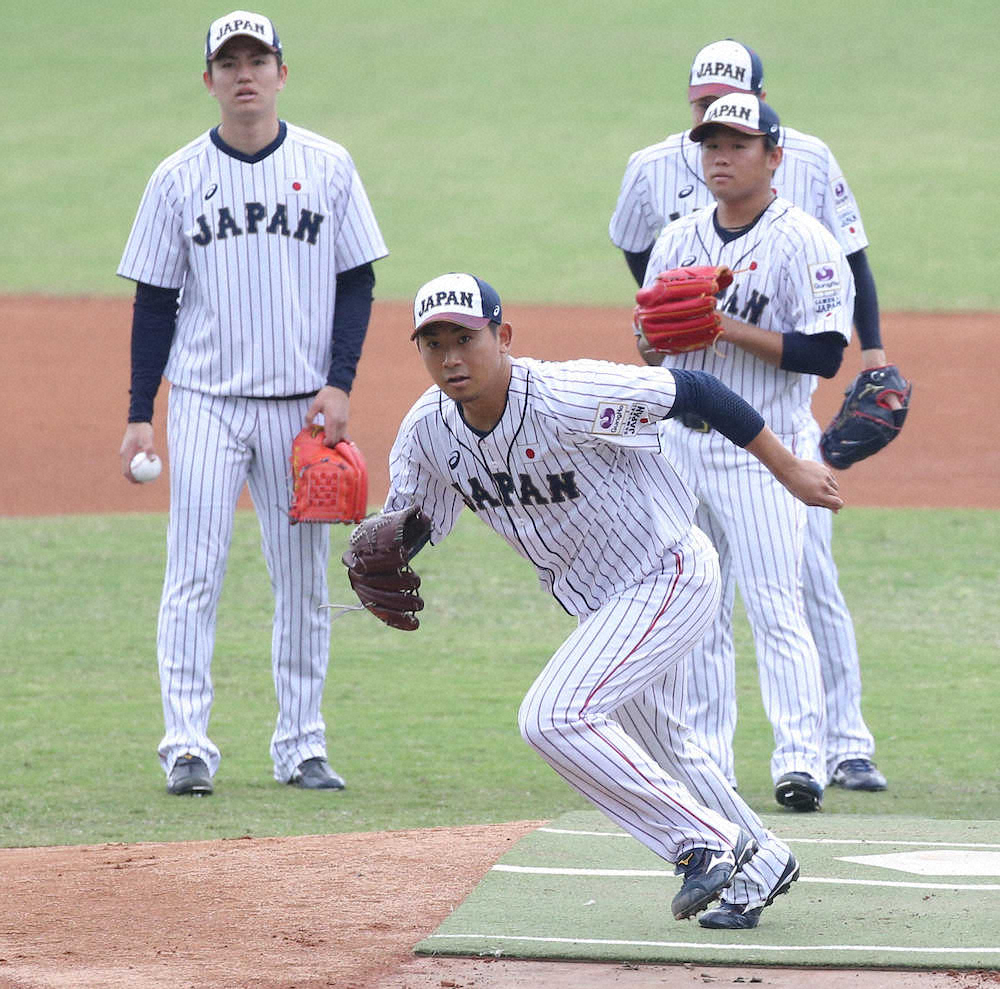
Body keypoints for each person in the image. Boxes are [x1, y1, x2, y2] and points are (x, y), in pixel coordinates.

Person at [367, 269, 844, 929]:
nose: (450, 356)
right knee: (665, 746)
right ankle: (760, 860)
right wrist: (378, 555)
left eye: (465, 337)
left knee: (553, 715)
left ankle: (700, 842)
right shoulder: (428, 433)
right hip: (605, 606)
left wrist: (788, 467)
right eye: (433, 342)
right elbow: (413, 521)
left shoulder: (568, 395)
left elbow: (696, 388)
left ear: (502, 336)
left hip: (667, 571)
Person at [116, 10, 388, 795]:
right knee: (193, 572)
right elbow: (154, 299)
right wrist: (142, 408)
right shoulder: (175, 177)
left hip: (301, 410)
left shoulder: (328, 165)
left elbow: (356, 281)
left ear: (281, 72)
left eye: (257, 59)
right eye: (228, 62)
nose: (244, 73)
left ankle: (301, 744)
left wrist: (340, 383)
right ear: (208, 79)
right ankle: (186, 744)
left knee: (301, 582)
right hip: (204, 403)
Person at [609, 38, 888, 800]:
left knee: (776, 603)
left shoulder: (805, 240)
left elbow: (825, 355)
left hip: (764, 450)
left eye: (737, 143)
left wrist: (725, 328)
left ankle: (799, 757)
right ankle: (711, 768)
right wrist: (653, 336)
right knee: (698, 612)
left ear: (773, 153)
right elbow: (654, 350)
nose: (721, 156)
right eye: (711, 143)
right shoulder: (677, 239)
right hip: (681, 450)